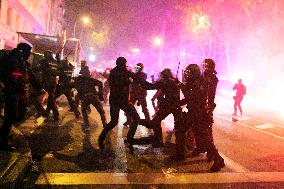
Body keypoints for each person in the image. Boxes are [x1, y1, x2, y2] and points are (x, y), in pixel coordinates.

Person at [181, 64, 225, 172]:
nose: (187, 75)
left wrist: (183, 87)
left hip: (200, 114)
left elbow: (192, 97)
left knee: (206, 138)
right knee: (199, 135)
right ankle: (200, 149)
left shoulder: (200, 82)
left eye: (189, 73)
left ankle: (218, 160)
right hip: (195, 113)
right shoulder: (196, 82)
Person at [0, 43, 42, 151]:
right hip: (11, 92)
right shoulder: (11, 60)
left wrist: (39, 87)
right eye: (28, 52)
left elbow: (30, 75)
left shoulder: (23, 62)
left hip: (20, 92)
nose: (29, 55)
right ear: (23, 52)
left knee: (20, 115)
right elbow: (6, 73)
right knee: (11, 116)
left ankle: (4, 132)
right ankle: (2, 141)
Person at [98, 57, 140, 151]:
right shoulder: (124, 72)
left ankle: (101, 138)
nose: (125, 65)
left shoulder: (113, 72)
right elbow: (124, 82)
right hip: (123, 100)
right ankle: (129, 139)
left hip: (114, 100)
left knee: (113, 121)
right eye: (125, 63)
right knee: (136, 118)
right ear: (123, 63)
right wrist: (129, 80)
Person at [139, 68, 182, 148]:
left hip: (168, 106)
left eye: (161, 75)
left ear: (164, 75)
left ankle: (159, 141)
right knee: (179, 126)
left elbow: (150, 86)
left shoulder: (164, 82)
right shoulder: (175, 81)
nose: (159, 77)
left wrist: (140, 80)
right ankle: (179, 147)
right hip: (175, 105)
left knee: (155, 122)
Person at [40, 50, 60, 121]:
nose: (44, 56)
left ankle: (56, 114)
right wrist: (58, 58)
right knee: (51, 98)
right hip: (53, 82)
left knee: (50, 98)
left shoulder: (44, 61)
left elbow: (41, 69)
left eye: (45, 54)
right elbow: (58, 71)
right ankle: (47, 112)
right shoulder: (55, 62)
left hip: (46, 82)